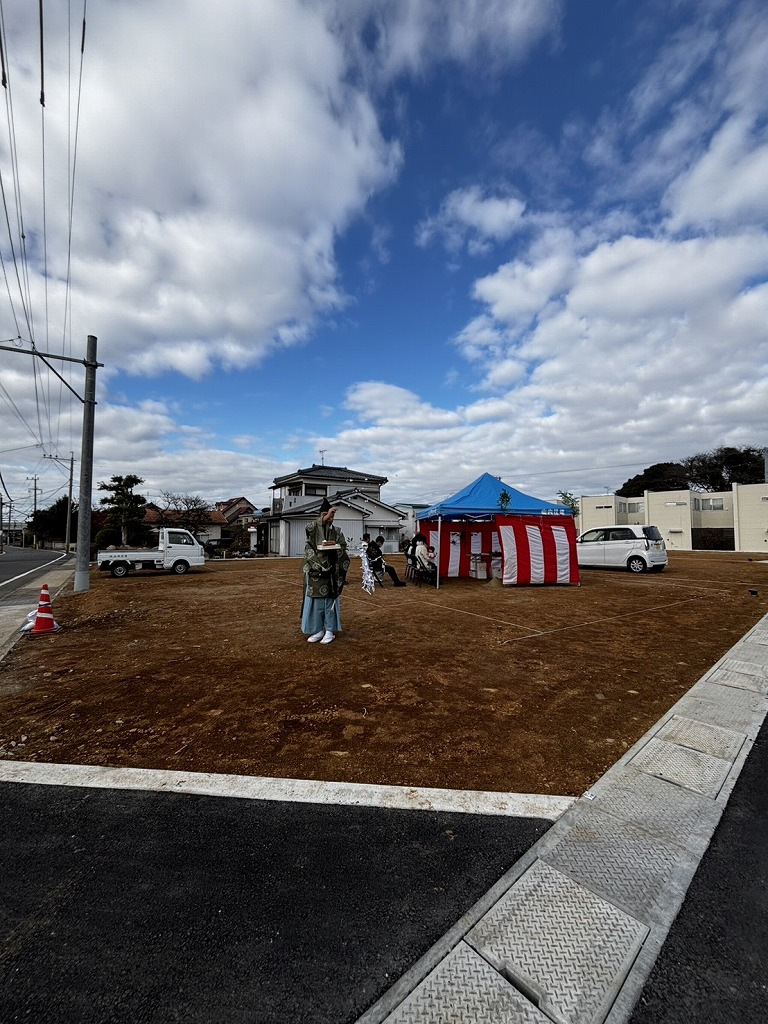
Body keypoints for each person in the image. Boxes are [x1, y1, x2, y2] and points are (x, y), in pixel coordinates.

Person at [301, 499, 350, 644]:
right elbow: (310, 531)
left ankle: (329, 630)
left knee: (330, 603)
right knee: (316, 602)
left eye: (330, 515)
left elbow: (343, 548)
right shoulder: (313, 529)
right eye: (324, 515)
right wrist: (318, 563)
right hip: (315, 571)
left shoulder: (338, 532)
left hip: (331, 572)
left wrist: (335, 553)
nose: (329, 518)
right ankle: (317, 630)